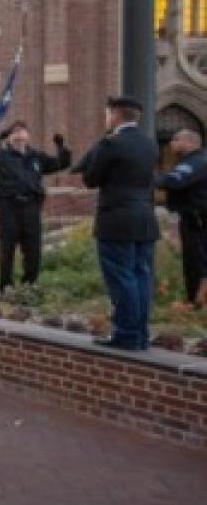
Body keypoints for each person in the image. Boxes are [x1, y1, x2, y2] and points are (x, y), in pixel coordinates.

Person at [73, 96, 160, 351]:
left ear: (114, 116)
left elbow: (91, 179)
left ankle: (126, 335)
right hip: (145, 219)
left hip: (117, 220)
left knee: (122, 278)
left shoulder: (110, 144)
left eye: (107, 114)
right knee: (141, 277)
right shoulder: (150, 144)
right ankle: (141, 334)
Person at [0, 121, 71, 297]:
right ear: (10, 137)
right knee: (7, 248)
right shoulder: (2, 156)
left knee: (32, 248)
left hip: (31, 207)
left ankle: (30, 284)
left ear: (28, 136)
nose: (19, 135)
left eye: (22, 131)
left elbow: (61, 163)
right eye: (15, 132)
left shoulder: (36, 157)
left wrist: (61, 146)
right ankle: (6, 285)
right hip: (9, 207)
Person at [158, 129, 207, 309]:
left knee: (197, 261)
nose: (171, 144)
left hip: (197, 219)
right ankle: (196, 300)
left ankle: (198, 303)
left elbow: (174, 181)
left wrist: (149, 177)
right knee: (196, 260)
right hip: (197, 217)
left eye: (176, 140)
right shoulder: (198, 160)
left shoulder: (195, 162)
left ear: (189, 142)